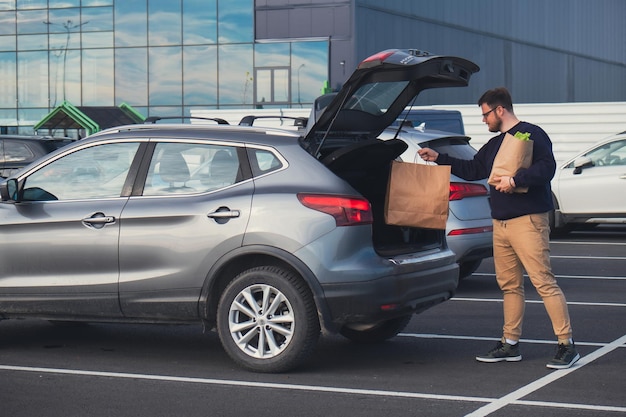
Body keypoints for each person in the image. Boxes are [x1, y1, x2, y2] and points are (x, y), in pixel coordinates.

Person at [417, 87, 580, 369]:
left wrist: (516, 180)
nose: (484, 121)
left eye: (485, 114)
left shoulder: (532, 134)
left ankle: (567, 345)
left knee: (543, 282)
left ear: (499, 110)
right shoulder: (494, 145)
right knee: (510, 286)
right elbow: (473, 169)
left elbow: (547, 168)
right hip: (500, 224)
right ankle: (510, 344)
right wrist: (438, 157)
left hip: (528, 221)